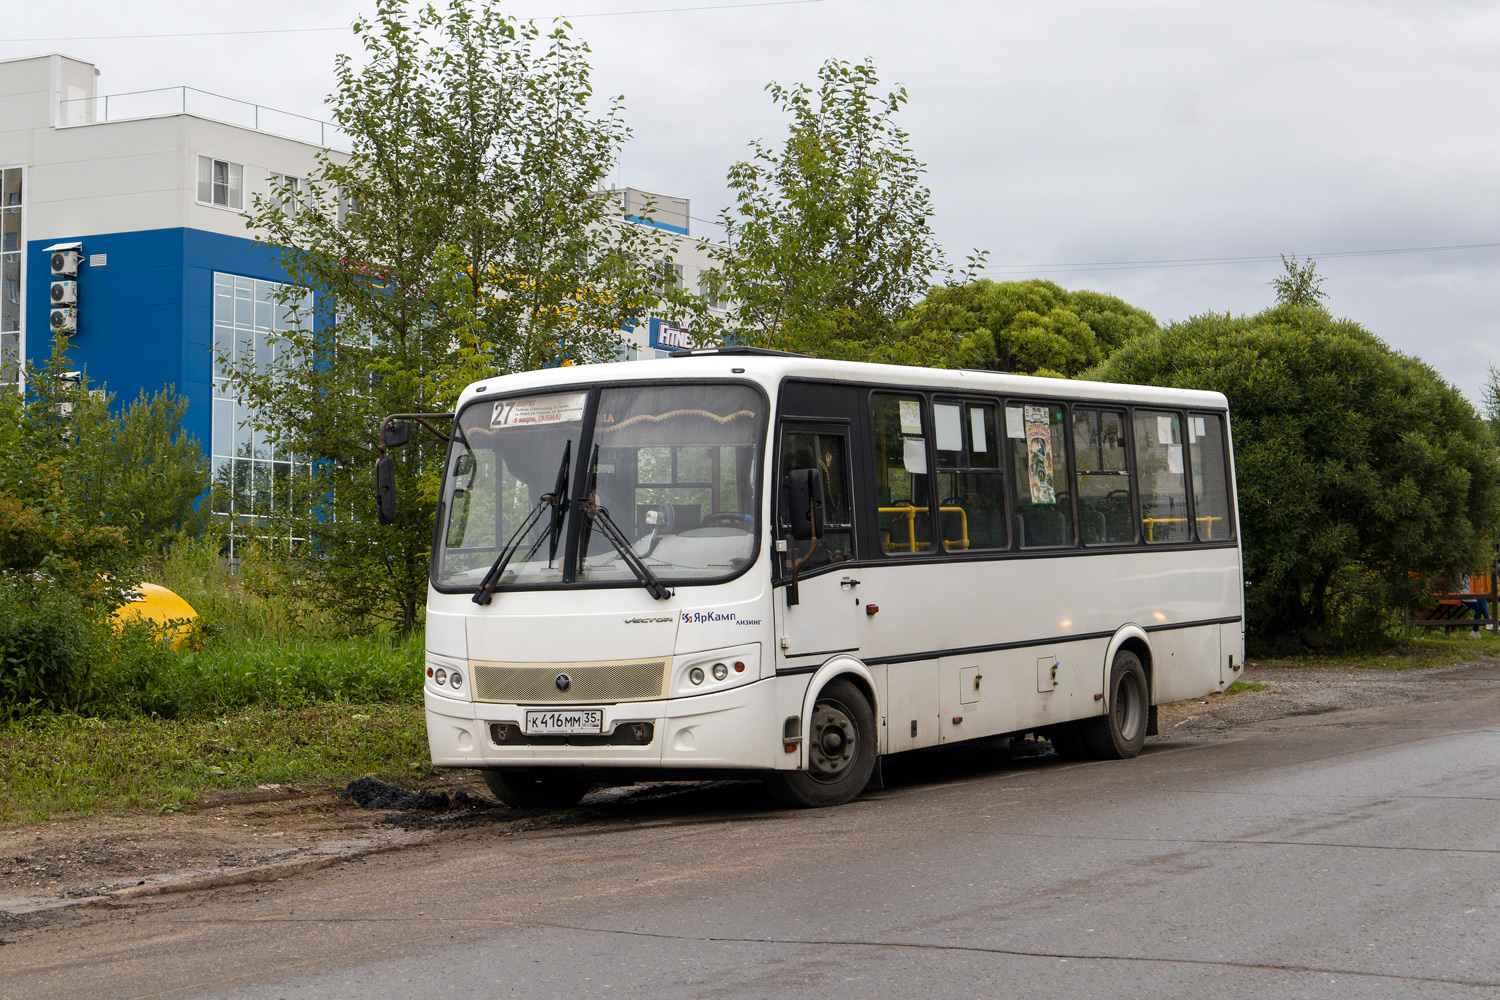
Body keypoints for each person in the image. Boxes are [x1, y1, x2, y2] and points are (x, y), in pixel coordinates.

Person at [1454, 572, 1492, 637]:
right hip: (1460, 594)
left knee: (1482, 599)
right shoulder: (1458, 571)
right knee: (1478, 608)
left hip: (1468, 593)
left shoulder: (1466, 571)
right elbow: (1460, 584)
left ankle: (1486, 622)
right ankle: (1478, 628)